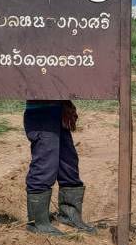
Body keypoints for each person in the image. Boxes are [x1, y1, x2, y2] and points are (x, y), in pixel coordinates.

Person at [24, 100, 96, 236]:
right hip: (40, 112)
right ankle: (37, 223)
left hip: (58, 109)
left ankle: (69, 215)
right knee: (45, 166)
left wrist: (65, 102)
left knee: (69, 165)